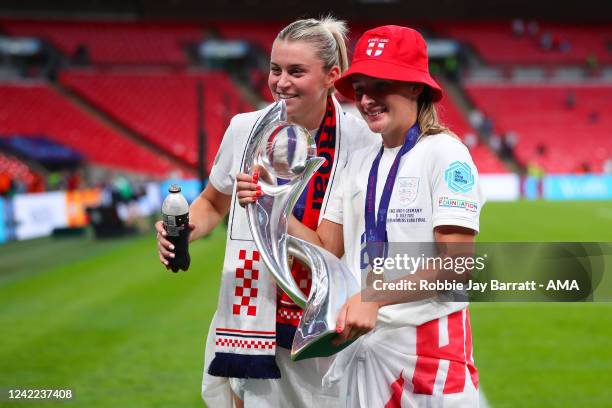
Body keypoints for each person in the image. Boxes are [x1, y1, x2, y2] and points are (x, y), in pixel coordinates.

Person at [239, 25, 484, 407]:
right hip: (365, 348)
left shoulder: (444, 154)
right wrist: (270, 206)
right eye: (361, 89)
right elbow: (324, 246)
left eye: (381, 86)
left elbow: (457, 264)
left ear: (416, 87)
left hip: (427, 353)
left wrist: (374, 298)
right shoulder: (360, 161)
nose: (367, 99)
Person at [156, 17, 378, 408]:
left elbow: (329, 248)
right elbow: (212, 202)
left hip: (318, 324)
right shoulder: (246, 128)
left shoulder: (359, 139)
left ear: (332, 75)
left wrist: (267, 202)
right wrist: (187, 227)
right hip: (248, 312)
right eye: (275, 69)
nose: (281, 82)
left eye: (296, 71)